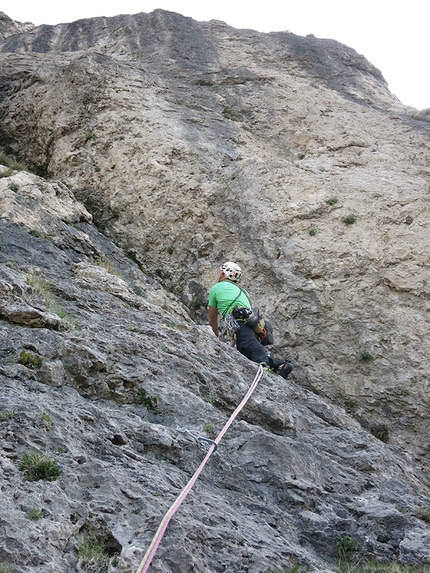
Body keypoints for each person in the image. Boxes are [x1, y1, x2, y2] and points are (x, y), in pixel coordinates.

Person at [208, 261, 293, 379]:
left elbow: (212, 319)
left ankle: (264, 364)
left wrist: (215, 339)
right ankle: (279, 365)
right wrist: (232, 342)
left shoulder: (216, 288)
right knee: (244, 350)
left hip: (238, 319)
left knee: (248, 343)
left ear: (223, 274)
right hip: (250, 322)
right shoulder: (244, 292)